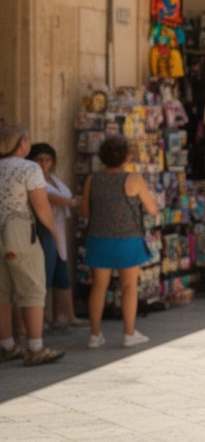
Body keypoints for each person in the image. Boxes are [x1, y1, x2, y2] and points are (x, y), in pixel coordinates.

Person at [81, 135, 158, 350]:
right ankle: (129, 334)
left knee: (98, 287)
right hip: (128, 240)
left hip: (99, 239)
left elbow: (85, 211)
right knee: (129, 286)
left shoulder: (91, 180)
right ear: (126, 156)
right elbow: (152, 208)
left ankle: (94, 336)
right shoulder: (134, 179)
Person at [0, 123, 62, 365]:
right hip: (19, 230)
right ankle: (35, 347)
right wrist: (53, 231)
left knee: (2, 293)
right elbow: (41, 205)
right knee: (33, 288)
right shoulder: (29, 168)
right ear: (21, 142)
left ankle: (7, 345)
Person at [27, 143, 82, 331]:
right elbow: (51, 199)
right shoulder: (34, 179)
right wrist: (75, 202)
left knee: (62, 275)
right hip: (44, 229)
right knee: (44, 277)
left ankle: (67, 316)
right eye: (39, 159)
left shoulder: (53, 179)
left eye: (47, 159)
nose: (44, 163)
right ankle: (38, 321)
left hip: (58, 229)